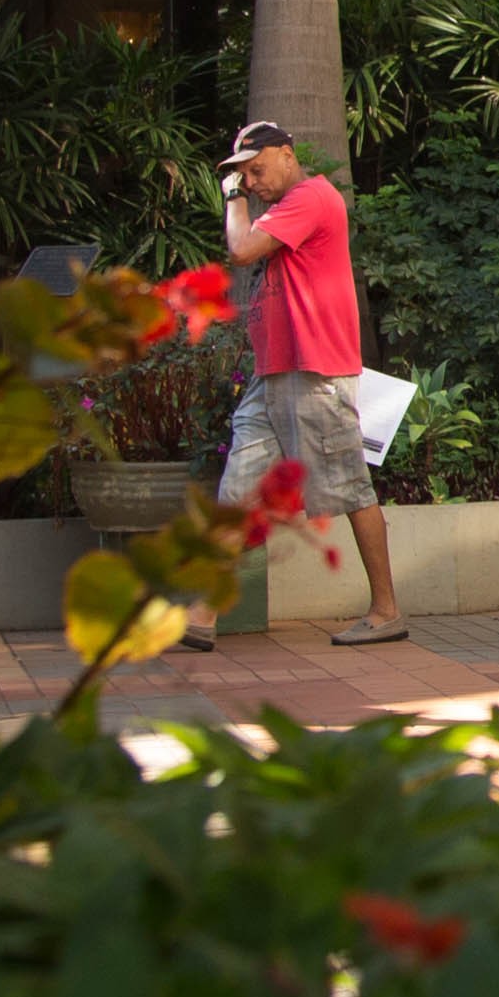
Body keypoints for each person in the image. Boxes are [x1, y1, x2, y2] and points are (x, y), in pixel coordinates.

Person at [209, 121, 400, 650]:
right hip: (274, 372)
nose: (249, 181)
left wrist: (231, 200)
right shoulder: (284, 209)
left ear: (287, 155)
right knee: (237, 486)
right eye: (241, 175)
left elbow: (242, 250)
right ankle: (202, 613)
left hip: (315, 371)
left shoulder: (312, 197)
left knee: (350, 488)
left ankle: (386, 609)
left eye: (256, 168)